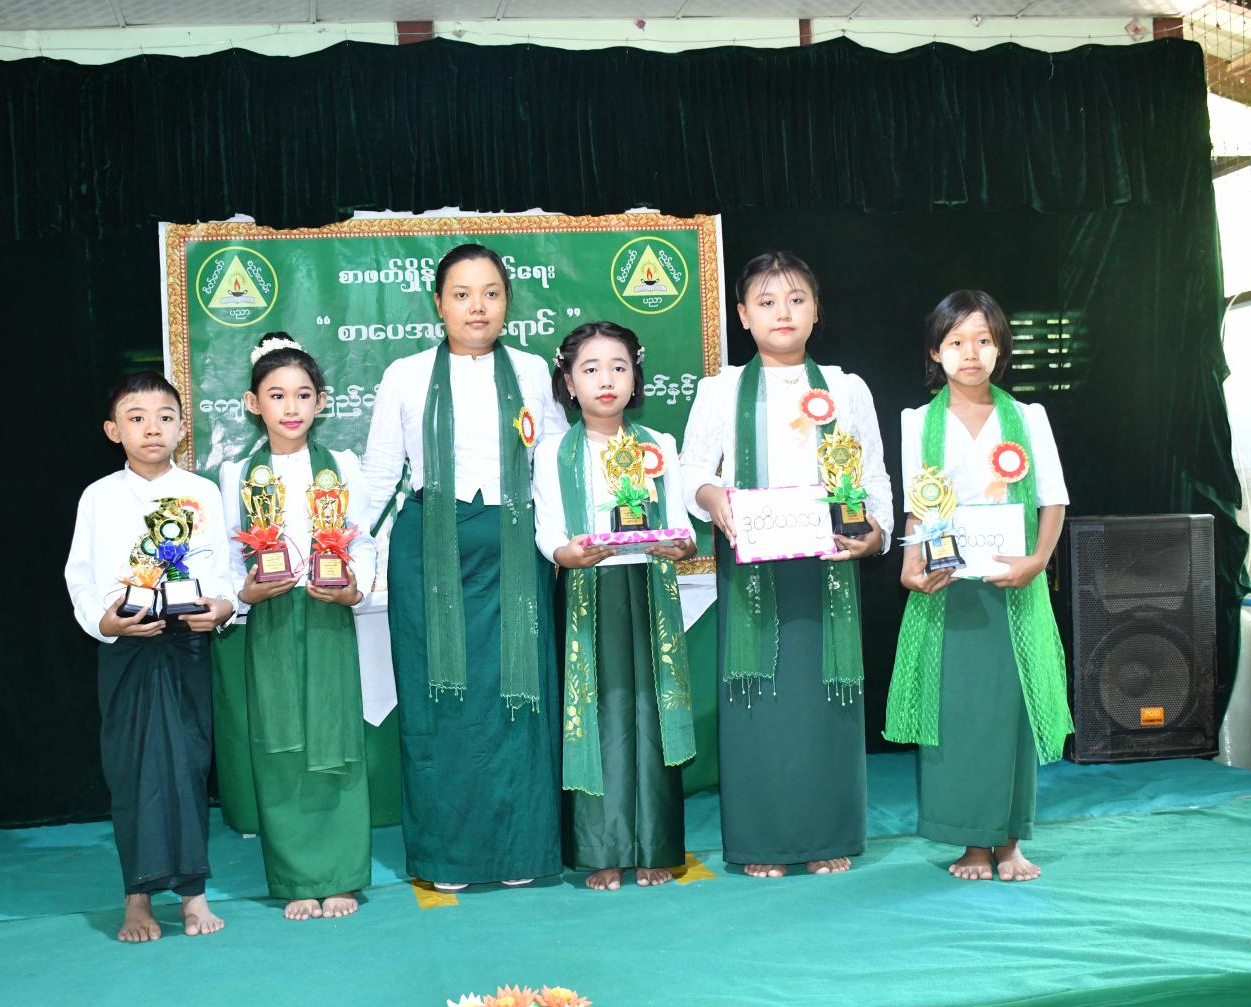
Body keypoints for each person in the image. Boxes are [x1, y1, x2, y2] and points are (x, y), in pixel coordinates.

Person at [360, 243, 568, 891]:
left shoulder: (533, 371)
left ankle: (520, 853)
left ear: (508, 302)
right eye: (461, 293)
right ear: (438, 303)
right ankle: (446, 857)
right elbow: (378, 476)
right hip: (429, 554)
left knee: (519, 700)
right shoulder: (405, 374)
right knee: (439, 704)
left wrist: (565, 541)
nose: (477, 306)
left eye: (491, 293)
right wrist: (345, 553)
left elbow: (555, 464)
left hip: (516, 553)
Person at [680, 251, 892, 878]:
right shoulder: (719, 390)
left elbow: (874, 474)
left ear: (816, 310)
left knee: (826, 699)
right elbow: (692, 471)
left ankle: (828, 835)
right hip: (752, 565)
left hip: (829, 563)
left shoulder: (847, 388)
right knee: (758, 700)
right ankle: (762, 842)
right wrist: (714, 499)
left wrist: (876, 533)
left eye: (797, 299)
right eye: (767, 302)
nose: (783, 312)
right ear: (743, 315)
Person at [885, 290, 1072, 882]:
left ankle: (1010, 842)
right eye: (957, 341)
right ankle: (970, 842)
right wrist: (910, 564)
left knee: (1012, 712)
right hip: (949, 588)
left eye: (984, 340)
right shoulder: (918, 422)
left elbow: (1053, 500)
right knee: (956, 713)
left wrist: (1037, 562)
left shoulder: (1029, 417)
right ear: (935, 352)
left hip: (1014, 587)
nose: (971, 352)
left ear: (1000, 349)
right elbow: (919, 505)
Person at [63, 371, 236, 941]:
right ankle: (136, 897)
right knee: (131, 768)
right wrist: (105, 622)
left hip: (185, 644)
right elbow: (81, 577)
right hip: (128, 646)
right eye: (136, 418)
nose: (152, 428)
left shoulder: (202, 492)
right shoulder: (99, 496)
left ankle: (192, 894)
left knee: (189, 765)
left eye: (165, 416)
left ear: (183, 427)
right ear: (113, 431)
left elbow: (223, 571)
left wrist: (221, 608)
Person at [215, 332, 376, 920]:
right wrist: (244, 593)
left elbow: (365, 542)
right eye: (276, 395)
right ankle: (296, 879)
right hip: (272, 619)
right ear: (253, 403)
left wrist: (355, 587)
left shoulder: (343, 467)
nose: (291, 407)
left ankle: (341, 877)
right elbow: (228, 556)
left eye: (303, 395)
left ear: (321, 402)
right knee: (279, 741)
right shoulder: (237, 473)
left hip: (328, 615)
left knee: (336, 740)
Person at [533, 320, 698, 891]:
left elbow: (680, 525)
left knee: (651, 716)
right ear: (569, 384)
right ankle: (601, 849)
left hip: (649, 590)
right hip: (588, 595)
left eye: (619, 367)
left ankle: (654, 846)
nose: (606, 380)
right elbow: (549, 531)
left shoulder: (659, 446)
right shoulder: (554, 452)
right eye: (591, 369)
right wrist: (568, 553)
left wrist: (682, 544)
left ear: (635, 379)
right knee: (598, 718)